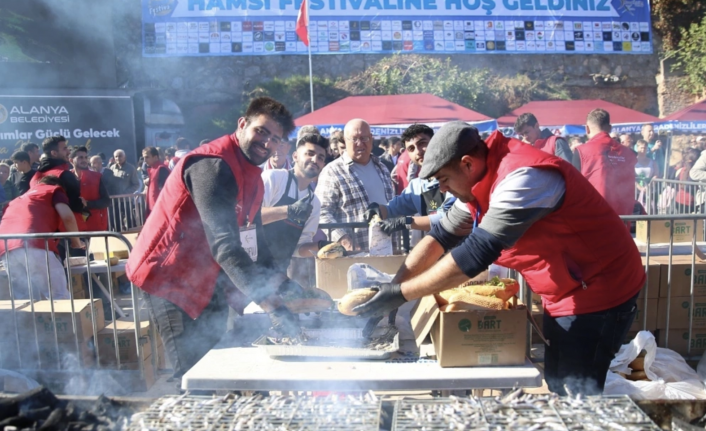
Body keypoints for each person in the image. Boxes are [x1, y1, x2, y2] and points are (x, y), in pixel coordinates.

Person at [354, 121, 645, 396]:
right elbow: (441, 236)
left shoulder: (523, 177)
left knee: (576, 390)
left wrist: (401, 295)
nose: (441, 189)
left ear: (467, 164)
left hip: (601, 289)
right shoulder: (478, 180)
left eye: (443, 179)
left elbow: (476, 254)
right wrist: (393, 288)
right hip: (568, 287)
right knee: (560, 381)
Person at [126, 97, 304, 379]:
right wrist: (271, 305)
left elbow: (254, 242)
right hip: (168, 278)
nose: (267, 143)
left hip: (209, 282)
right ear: (242, 124)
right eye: (261, 131)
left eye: (275, 139)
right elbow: (226, 247)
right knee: (193, 374)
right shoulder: (213, 165)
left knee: (217, 366)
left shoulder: (255, 180)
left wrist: (284, 284)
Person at [316, 119, 394, 251]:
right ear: (345, 142)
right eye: (354, 139)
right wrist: (345, 241)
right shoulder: (332, 171)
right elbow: (320, 212)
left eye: (364, 138)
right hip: (354, 254)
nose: (360, 143)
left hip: (387, 250)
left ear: (371, 139)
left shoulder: (382, 167)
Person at [0, 176, 84, 300]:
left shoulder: (17, 199)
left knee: (26, 300)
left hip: (6, 248)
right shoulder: (54, 190)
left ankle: (27, 320)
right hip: (33, 244)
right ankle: (66, 320)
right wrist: (76, 242)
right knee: (58, 295)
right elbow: (68, 217)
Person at [364, 124, 455, 235]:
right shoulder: (416, 186)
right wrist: (378, 209)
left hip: (469, 248)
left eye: (422, 143)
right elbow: (394, 208)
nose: (418, 151)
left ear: (434, 142)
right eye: (411, 149)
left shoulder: (454, 176)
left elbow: (449, 219)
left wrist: (405, 222)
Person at [261, 133, 329, 272]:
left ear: (323, 165)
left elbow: (298, 248)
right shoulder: (274, 178)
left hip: (276, 273)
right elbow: (249, 218)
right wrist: (289, 211)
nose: (315, 160)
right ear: (295, 156)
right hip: (250, 266)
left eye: (320, 157)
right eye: (309, 154)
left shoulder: (314, 203)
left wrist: (321, 246)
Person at [573, 109, 637, 217]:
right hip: (623, 218)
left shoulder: (581, 151)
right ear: (610, 128)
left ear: (587, 129)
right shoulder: (628, 153)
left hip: (594, 216)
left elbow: (574, 188)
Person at [30, 136, 84, 214]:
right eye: (64, 149)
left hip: (41, 223)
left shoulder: (36, 176)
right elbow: (75, 205)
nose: (69, 152)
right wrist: (82, 203)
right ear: (54, 153)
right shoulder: (65, 175)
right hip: (63, 223)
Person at [71, 147, 110, 232]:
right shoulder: (67, 177)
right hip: (74, 226)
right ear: (71, 160)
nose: (84, 160)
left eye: (85, 157)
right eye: (80, 157)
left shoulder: (97, 177)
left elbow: (106, 201)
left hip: (95, 225)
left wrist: (87, 204)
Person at [142, 147, 170, 218]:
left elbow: (164, 191)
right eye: (144, 158)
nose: (145, 160)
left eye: (147, 157)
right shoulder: (153, 169)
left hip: (160, 209)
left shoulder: (161, 169)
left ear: (155, 157)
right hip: (154, 208)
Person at [634, 139, 659, 212]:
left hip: (651, 190)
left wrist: (649, 186)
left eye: (645, 148)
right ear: (637, 148)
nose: (643, 150)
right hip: (637, 191)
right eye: (641, 148)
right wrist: (640, 188)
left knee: (651, 210)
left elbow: (656, 174)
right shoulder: (633, 161)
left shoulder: (652, 162)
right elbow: (631, 177)